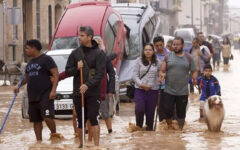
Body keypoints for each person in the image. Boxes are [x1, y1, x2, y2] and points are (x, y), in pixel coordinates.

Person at [65, 26, 106, 148]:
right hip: (78, 92)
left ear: (89, 37)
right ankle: (81, 145)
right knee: (80, 119)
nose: (79, 37)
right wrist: (76, 68)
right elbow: (67, 72)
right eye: (79, 35)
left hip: (93, 92)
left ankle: (96, 146)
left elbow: (100, 74)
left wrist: (87, 85)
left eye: (82, 35)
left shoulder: (99, 53)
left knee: (94, 117)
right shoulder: (75, 53)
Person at [13, 39, 61, 141]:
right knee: (36, 120)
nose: (26, 50)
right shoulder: (30, 63)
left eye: (27, 48)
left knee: (47, 117)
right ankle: (39, 142)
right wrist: (18, 86)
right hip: (32, 95)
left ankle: (54, 135)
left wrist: (53, 91)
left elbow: (55, 74)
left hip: (45, 94)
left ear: (34, 48)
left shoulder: (46, 59)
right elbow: (25, 78)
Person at [159, 37, 198, 130]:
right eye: (174, 44)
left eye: (177, 44)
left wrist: (194, 78)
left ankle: (180, 130)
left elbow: (194, 70)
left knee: (181, 113)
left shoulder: (188, 57)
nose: (175, 46)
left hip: (183, 91)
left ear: (182, 45)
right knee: (167, 111)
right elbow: (162, 70)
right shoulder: (168, 57)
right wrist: (161, 75)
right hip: (169, 89)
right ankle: (169, 127)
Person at [132, 43, 161, 131]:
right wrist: (142, 85)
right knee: (139, 109)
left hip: (153, 91)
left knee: (150, 113)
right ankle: (139, 128)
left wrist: (161, 78)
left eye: (150, 50)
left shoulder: (157, 62)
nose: (147, 52)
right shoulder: (139, 61)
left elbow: (161, 73)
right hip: (140, 90)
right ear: (143, 51)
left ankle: (149, 134)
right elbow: (134, 75)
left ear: (153, 51)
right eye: (146, 50)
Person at [153, 36, 169, 122]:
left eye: (161, 45)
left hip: (169, 86)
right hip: (157, 86)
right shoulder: (152, 56)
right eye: (157, 45)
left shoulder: (169, 54)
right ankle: (162, 126)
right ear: (154, 46)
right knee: (160, 109)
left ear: (163, 44)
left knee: (169, 108)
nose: (159, 47)